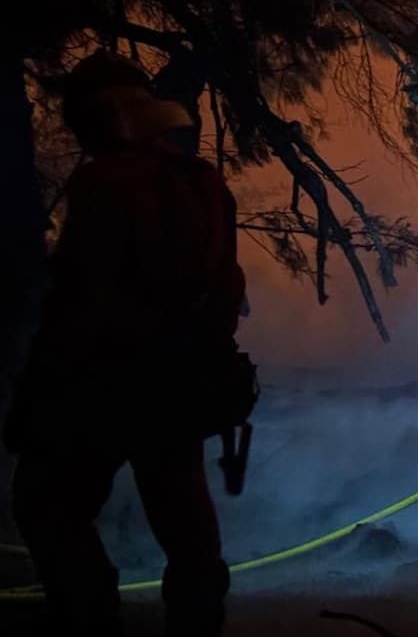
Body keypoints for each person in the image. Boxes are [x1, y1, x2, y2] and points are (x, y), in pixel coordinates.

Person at [3, 52, 248, 637]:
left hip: (105, 383)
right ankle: (196, 624)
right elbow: (227, 289)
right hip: (180, 381)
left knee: (47, 507)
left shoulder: (104, 183)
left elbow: (83, 299)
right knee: (187, 527)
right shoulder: (206, 184)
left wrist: (40, 392)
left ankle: (88, 617)